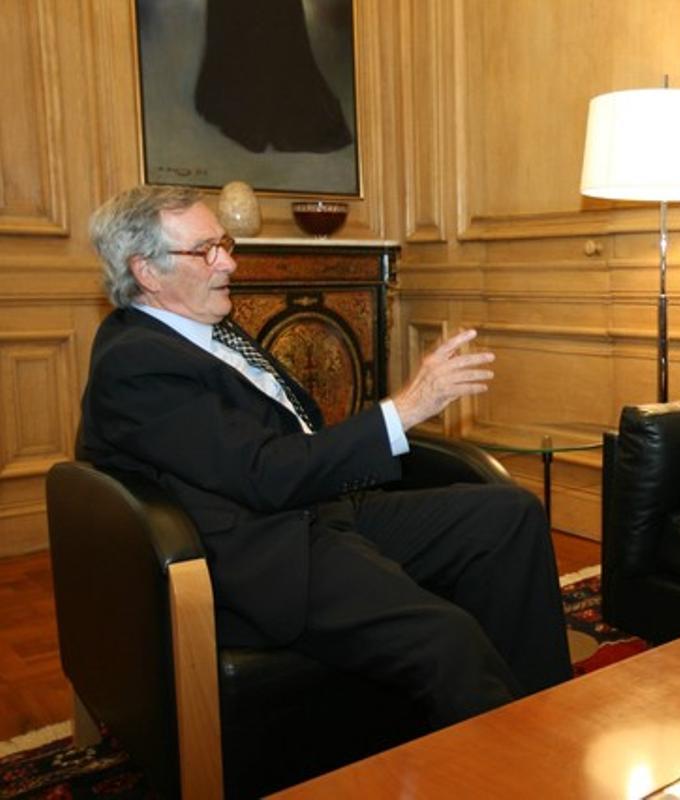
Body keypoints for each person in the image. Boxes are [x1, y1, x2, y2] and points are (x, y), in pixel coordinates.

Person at [79, 185, 572, 728]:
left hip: (315, 511)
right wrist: (406, 408)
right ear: (145, 271)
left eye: (225, 242)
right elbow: (264, 473)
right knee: (447, 637)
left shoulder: (205, 326)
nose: (230, 262)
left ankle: (538, 718)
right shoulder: (134, 365)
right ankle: (514, 767)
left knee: (508, 515)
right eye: (206, 251)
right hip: (259, 553)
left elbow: (294, 434)